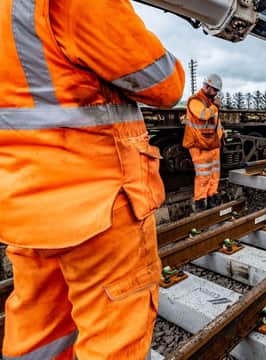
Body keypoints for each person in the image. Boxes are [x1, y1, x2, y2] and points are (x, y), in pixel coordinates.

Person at [0, 1, 185, 358]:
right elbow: (165, 84)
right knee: (115, 336)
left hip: (24, 203)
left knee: (39, 333)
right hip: (98, 204)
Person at [183, 74, 226, 211]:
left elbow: (214, 122)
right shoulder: (195, 100)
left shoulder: (210, 102)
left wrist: (221, 132)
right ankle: (200, 203)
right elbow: (204, 115)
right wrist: (215, 107)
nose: (216, 94)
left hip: (212, 144)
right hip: (200, 144)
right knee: (203, 176)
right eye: (214, 90)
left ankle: (212, 198)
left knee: (214, 174)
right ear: (207, 87)